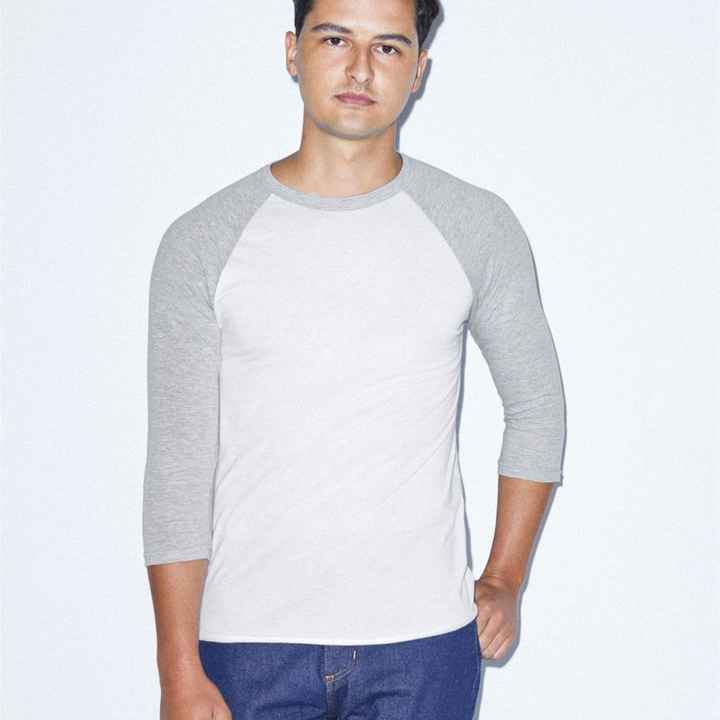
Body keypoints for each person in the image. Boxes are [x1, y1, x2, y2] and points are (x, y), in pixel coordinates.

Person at [142, 0, 566, 717]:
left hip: (425, 644)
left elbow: (538, 408)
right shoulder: (204, 239)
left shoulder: (475, 225)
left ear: (419, 69)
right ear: (293, 51)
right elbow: (178, 465)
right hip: (248, 645)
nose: (361, 69)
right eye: (335, 39)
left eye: (389, 48)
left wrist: (505, 577)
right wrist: (178, 667)